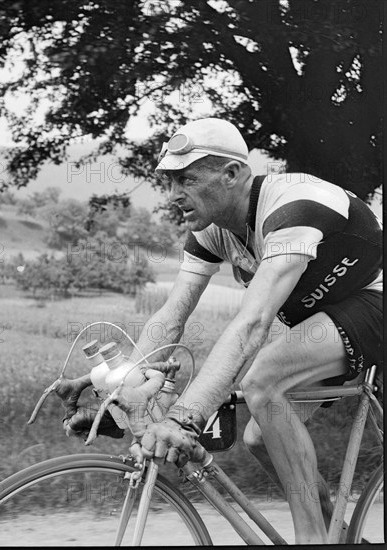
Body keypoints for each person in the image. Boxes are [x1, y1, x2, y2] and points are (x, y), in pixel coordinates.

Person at [123, 118, 383, 544]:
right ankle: (339, 535)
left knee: (263, 379)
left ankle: (312, 540)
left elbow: (253, 323)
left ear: (232, 174)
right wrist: (120, 384)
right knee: (262, 437)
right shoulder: (213, 232)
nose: (173, 196)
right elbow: (172, 314)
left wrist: (184, 419)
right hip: (320, 322)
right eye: (169, 182)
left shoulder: (294, 206)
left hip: (375, 297)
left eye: (186, 179)